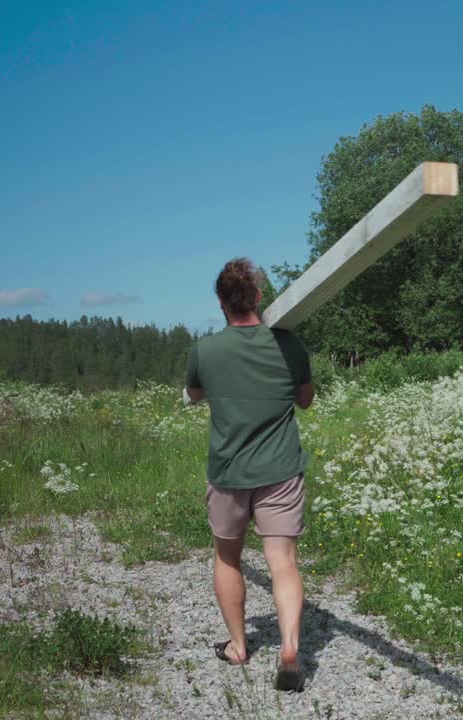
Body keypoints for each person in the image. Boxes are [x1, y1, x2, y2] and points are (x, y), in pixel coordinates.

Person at [184, 257, 314, 692]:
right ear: (258, 296)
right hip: (280, 470)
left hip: (229, 473)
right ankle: (290, 648)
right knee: (283, 563)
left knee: (227, 557)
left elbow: (196, 392)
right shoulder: (289, 345)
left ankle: (239, 647)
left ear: (221, 303)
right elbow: (306, 400)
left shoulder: (204, 350)